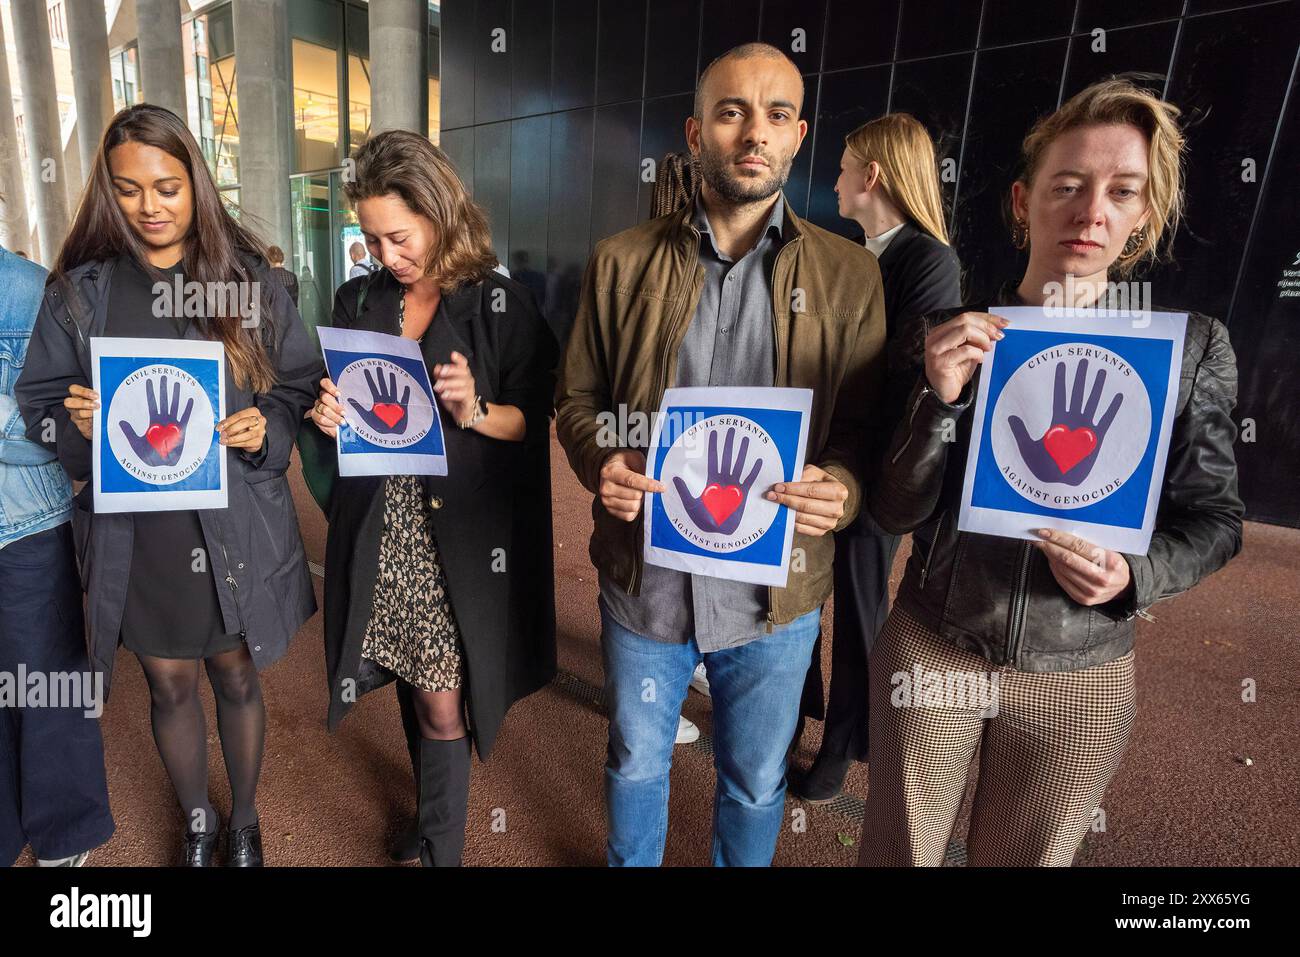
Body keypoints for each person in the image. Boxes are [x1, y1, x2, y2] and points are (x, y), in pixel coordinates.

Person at [857, 78, 1244, 866]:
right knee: (898, 856)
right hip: (934, 644)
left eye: (1121, 190)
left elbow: (1216, 520)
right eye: (1067, 185)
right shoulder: (943, 336)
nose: (1091, 209)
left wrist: (1133, 574)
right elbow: (893, 511)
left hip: (1084, 672)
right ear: (1022, 199)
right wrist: (938, 400)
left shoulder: (1190, 349)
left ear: (1144, 214)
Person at [556, 42, 887, 867]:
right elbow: (577, 401)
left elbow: (864, 429)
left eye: (777, 114)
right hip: (647, 581)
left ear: (799, 133)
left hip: (773, 592)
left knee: (752, 777)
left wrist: (839, 485)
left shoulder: (848, 277)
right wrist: (604, 461)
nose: (754, 132)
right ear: (695, 129)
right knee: (636, 759)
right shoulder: (621, 262)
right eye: (733, 111)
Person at [16, 104, 320, 867]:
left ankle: (242, 818)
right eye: (128, 189)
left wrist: (266, 429)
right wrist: (76, 431)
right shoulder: (79, 295)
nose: (148, 206)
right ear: (108, 194)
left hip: (232, 525)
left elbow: (299, 386)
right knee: (170, 687)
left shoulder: (250, 285)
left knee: (237, 675)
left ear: (197, 185)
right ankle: (195, 818)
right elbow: (39, 405)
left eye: (167, 187)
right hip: (138, 535)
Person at [306, 129, 557, 868]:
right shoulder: (360, 298)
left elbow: (532, 414)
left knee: (446, 697)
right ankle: (429, 816)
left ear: (440, 209)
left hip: (461, 538)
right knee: (411, 680)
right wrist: (329, 410)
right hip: (383, 529)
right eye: (372, 238)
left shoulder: (498, 302)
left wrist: (476, 409)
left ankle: (439, 848)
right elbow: (344, 408)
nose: (386, 255)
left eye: (398, 236)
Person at [791, 113, 963, 803]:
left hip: (879, 472)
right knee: (799, 588)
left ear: (874, 176)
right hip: (830, 457)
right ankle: (802, 711)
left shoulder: (926, 260)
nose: (832, 177)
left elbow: (909, 385)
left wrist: (857, 465)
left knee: (860, 608)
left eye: (841, 164)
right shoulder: (857, 252)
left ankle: (842, 745)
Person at [1, 243, 115, 868]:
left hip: (25, 521)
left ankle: (66, 831)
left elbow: (60, 427)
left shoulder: (31, 291)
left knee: (45, 684)